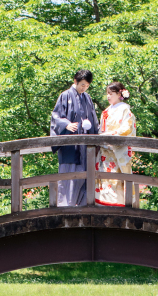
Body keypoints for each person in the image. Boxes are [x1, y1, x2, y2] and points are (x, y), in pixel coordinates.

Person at [50, 69, 99, 206]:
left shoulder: (87, 98)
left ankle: (84, 207)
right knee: (69, 177)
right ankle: (66, 207)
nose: (84, 88)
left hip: (85, 146)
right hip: (71, 146)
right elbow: (56, 117)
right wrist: (66, 124)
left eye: (87, 86)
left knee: (85, 176)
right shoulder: (65, 96)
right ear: (75, 81)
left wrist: (97, 137)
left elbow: (94, 120)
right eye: (82, 85)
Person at [95, 81, 137, 207]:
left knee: (117, 177)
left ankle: (119, 205)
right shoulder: (106, 111)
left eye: (111, 93)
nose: (108, 96)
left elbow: (127, 129)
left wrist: (110, 135)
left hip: (118, 150)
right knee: (105, 177)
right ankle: (103, 205)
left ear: (119, 94)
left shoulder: (125, 109)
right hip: (105, 150)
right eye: (107, 93)